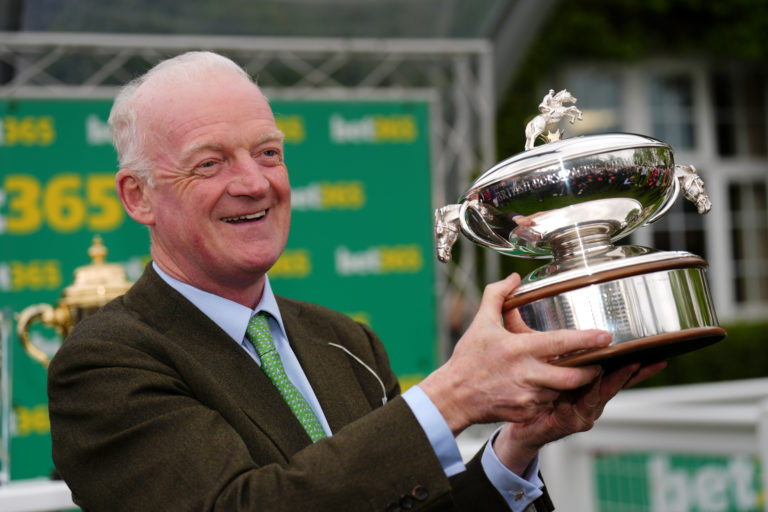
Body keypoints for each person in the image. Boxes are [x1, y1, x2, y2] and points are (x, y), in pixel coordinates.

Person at [47, 51, 664, 512]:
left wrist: (519, 447)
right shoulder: (104, 364)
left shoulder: (346, 341)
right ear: (139, 196)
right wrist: (451, 397)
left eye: (267, 153)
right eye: (210, 163)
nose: (254, 183)